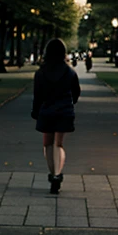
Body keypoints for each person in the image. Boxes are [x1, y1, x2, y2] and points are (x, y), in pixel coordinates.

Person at [31, 38, 80, 194]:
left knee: (48, 144)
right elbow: (76, 92)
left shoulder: (41, 73)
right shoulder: (69, 72)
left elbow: (37, 95)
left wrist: (36, 111)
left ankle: (53, 173)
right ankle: (57, 174)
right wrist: (70, 103)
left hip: (47, 110)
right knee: (58, 144)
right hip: (64, 110)